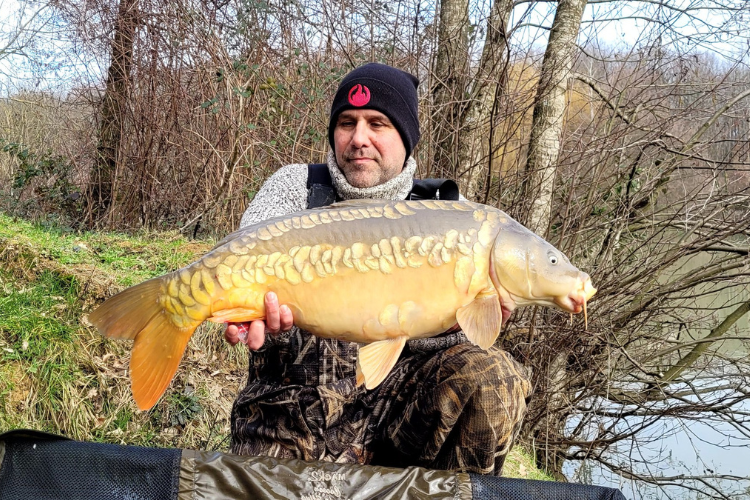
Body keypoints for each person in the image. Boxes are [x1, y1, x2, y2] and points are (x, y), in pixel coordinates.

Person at [224, 62, 531, 475]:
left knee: (494, 375)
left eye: (378, 123)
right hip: (289, 417)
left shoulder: (451, 216)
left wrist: (454, 325)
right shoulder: (293, 189)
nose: (359, 139)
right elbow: (236, 273)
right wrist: (246, 317)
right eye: (347, 123)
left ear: (406, 139)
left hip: (399, 425)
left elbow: (458, 346)